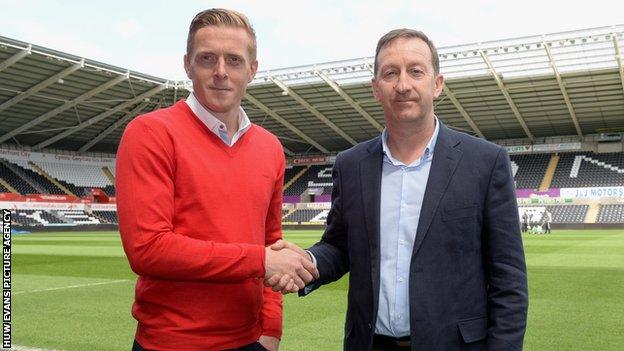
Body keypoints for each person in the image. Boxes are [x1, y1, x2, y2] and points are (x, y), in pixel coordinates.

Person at [268, 29, 528, 350]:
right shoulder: (351, 165)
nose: (403, 85)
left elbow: (509, 280)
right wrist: (307, 261)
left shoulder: (485, 162)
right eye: (391, 73)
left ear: (438, 84)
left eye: (416, 71)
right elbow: (339, 246)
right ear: (376, 89)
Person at [116, 8, 318, 351]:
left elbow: (272, 241)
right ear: (187, 64)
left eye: (234, 60)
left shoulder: (270, 148)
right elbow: (148, 249)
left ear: (252, 70)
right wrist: (260, 260)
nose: (221, 72)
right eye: (207, 58)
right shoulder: (150, 133)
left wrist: (271, 329)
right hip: (170, 344)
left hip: (251, 341)